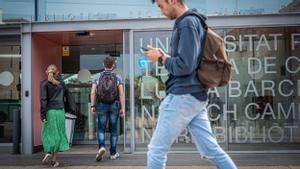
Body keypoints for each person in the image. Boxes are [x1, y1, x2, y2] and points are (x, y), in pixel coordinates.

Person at [143, 0, 237, 169]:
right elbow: (187, 62)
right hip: (194, 96)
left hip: (182, 95)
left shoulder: (187, 23)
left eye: (160, 5)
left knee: (156, 150)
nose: (160, 11)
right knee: (211, 150)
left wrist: (160, 58)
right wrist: (164, 56)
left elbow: (184, 66)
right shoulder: (192, 22)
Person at [90, 56, 125, 161]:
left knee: (101, 128)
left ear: (103, 65)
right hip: (114, 105)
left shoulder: (97, 77)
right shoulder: (118, 77)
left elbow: (92, 92)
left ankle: (101, 147)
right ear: (113, 65)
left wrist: (92, 105)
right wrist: (122, 108)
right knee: (113, 130)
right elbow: (121, 94)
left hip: (101, 104)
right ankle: (113, 153)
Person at [40, 64, 72, 167]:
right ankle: (53, 160)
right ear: (57, 73)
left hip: (49, 112)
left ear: (47, 72)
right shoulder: (62, 84)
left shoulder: (44, 84)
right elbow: (67, 98)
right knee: (58, 134)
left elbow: (43, 100)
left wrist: (43, 114)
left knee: (49, 134)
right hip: (60, 111)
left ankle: (48, 152)